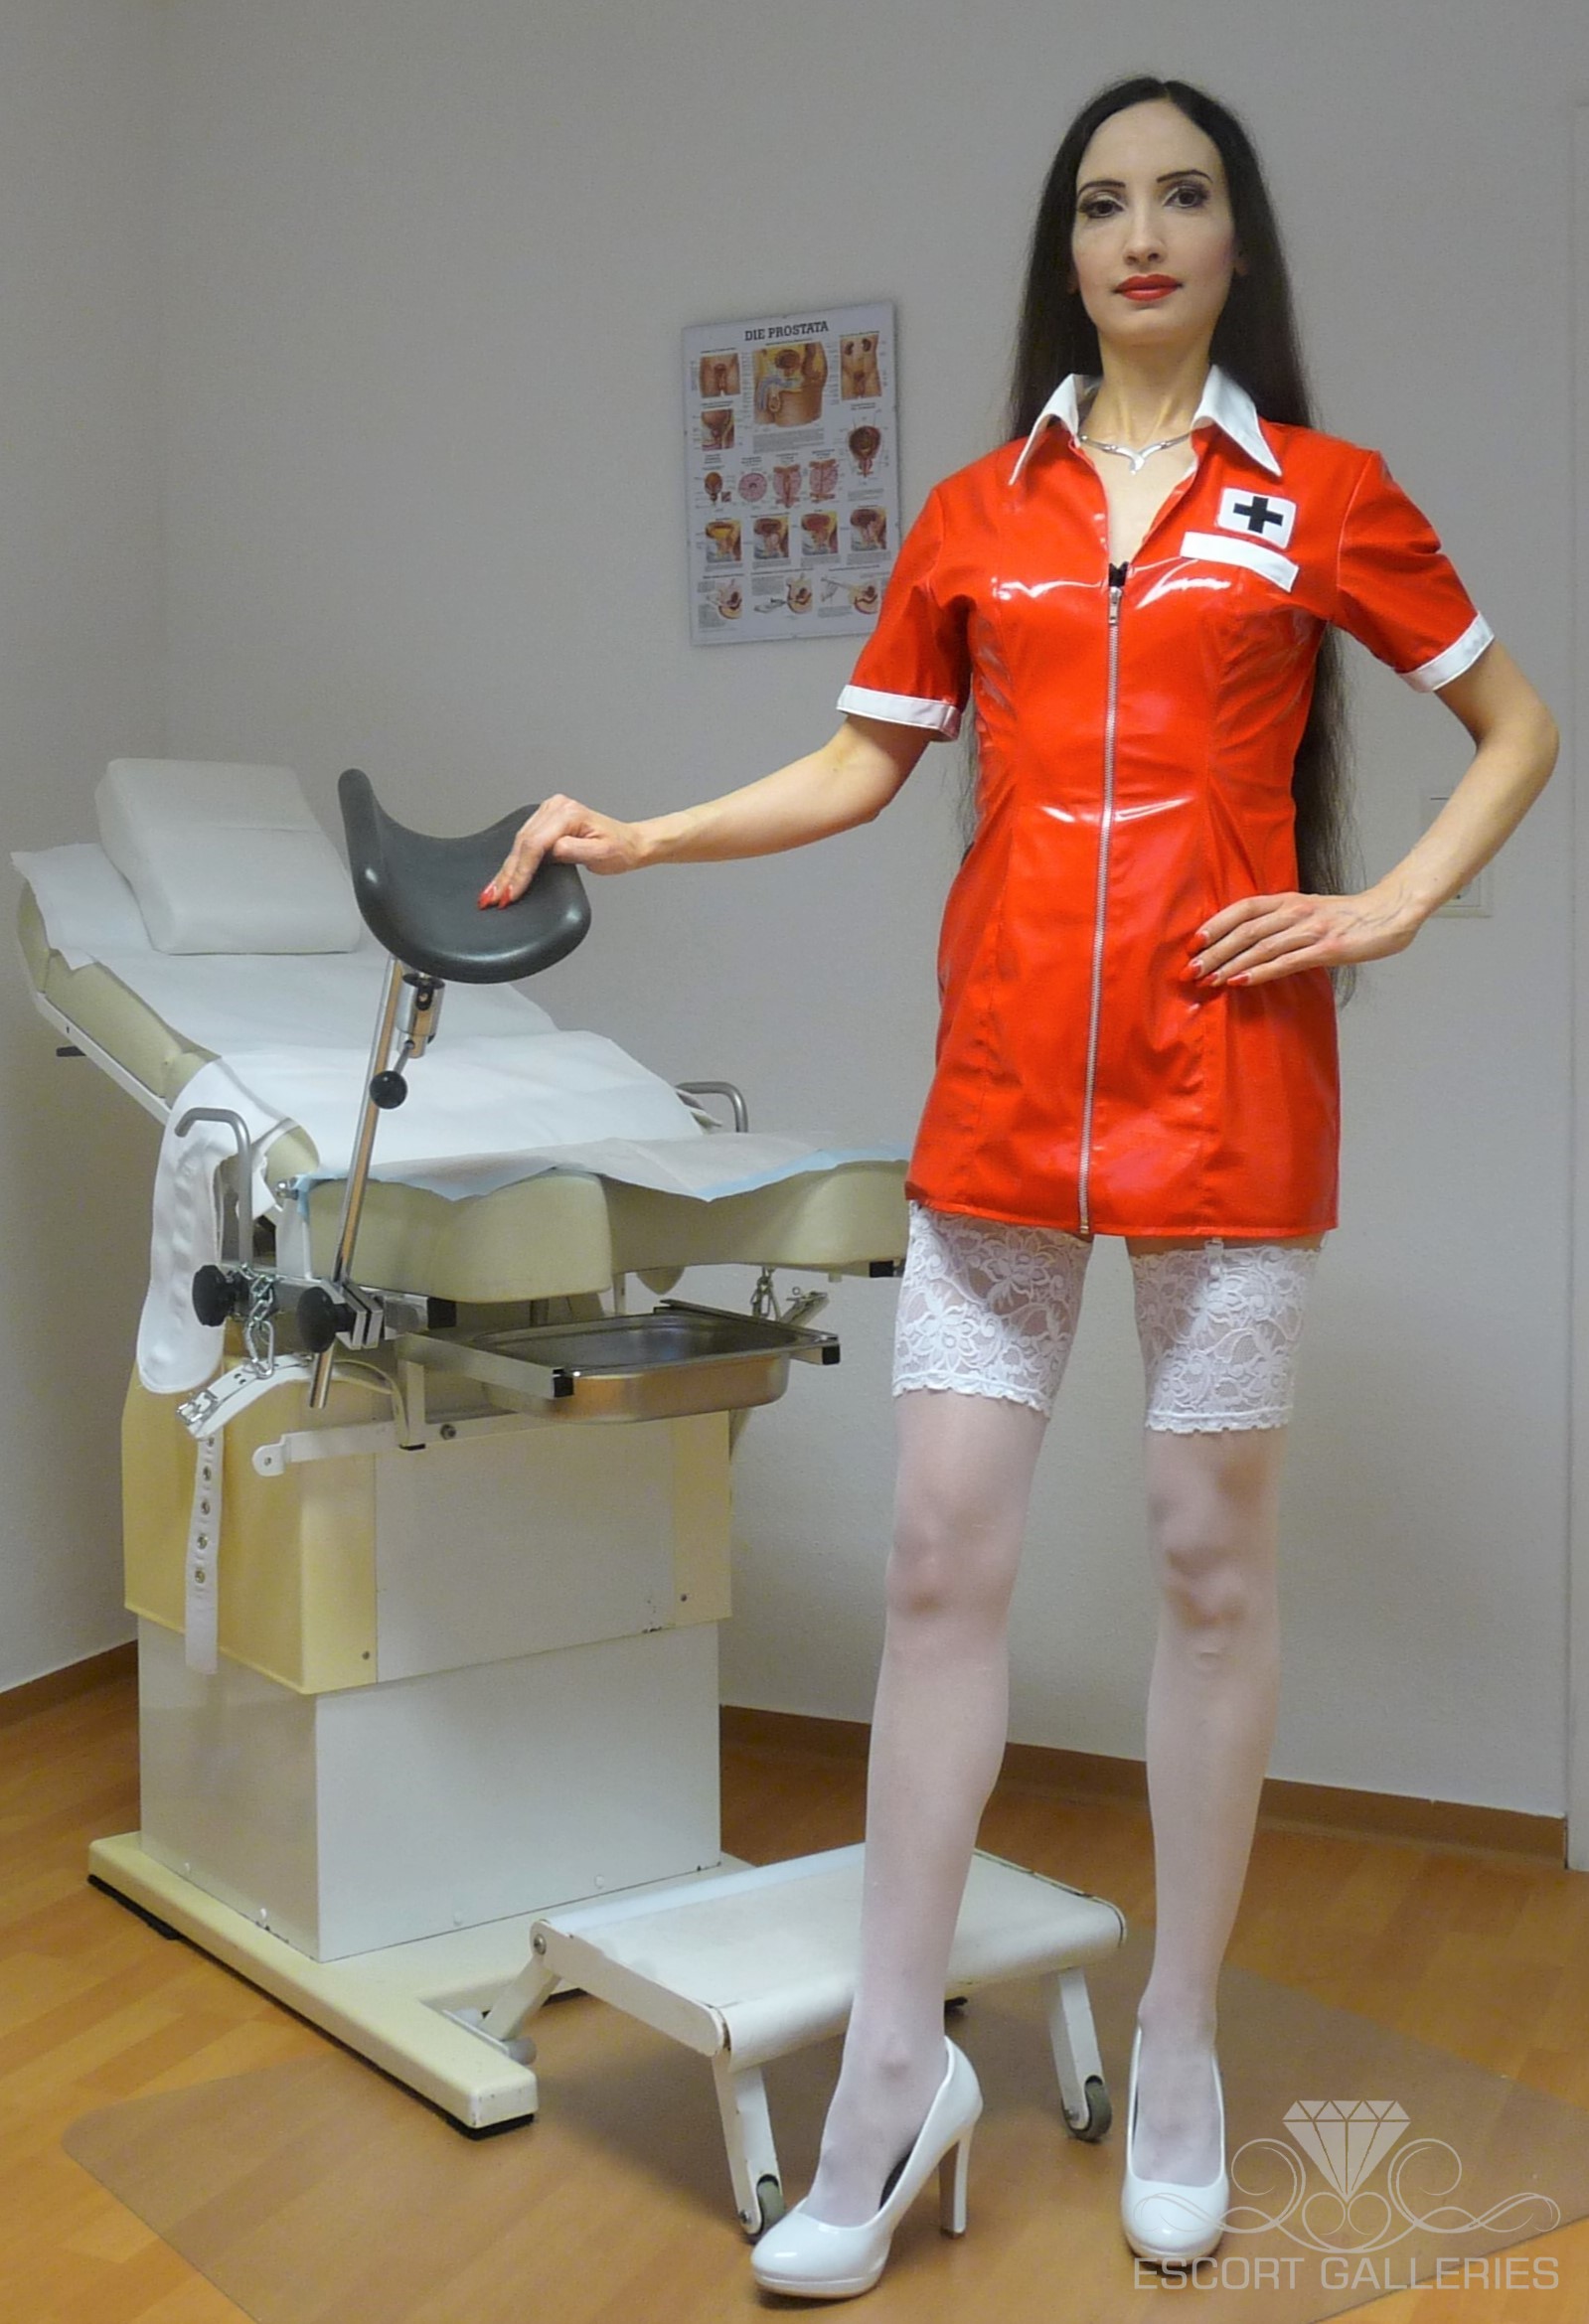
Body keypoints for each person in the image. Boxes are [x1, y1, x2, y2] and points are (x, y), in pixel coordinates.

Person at [483, 74, 1558, 2300]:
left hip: (1228, 1099)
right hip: (999, 1100)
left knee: (1205, 1569)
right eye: (1101, 202)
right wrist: (642, 834)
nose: (1139, 233)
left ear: (1234, 243)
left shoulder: (1320, 496)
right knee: (936, 1561)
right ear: (1064, 252)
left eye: (1182, 196)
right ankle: (890, 2077)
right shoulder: (981, 510)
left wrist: (1377, 909)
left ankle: (1178, 2044)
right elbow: (861, 759)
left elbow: (1516, 726)